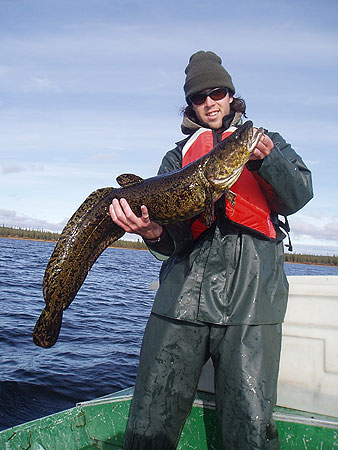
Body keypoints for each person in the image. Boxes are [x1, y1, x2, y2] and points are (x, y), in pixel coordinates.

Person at [109, 50, 313, 450]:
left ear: (230, 95)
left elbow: (299, 194)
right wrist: (151, 233)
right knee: (151, 416)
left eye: (217, 92)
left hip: (253, 303)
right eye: (199, 97)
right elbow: (173, 239)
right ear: (191, 105)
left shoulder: (269, 142)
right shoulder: (176, 157)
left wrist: (268, 159)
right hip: (180, 301)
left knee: (249, 426)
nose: (209, 103)